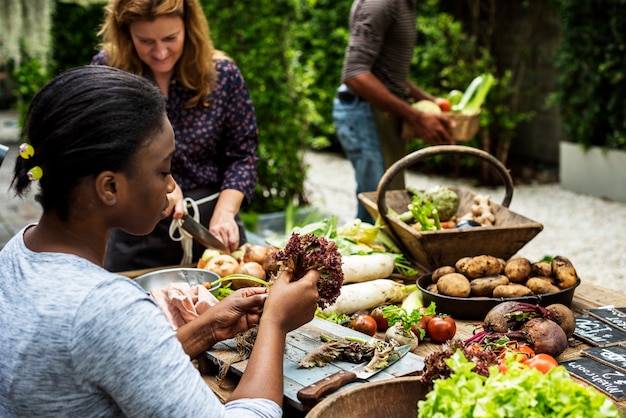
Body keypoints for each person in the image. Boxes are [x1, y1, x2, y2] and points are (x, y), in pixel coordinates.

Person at [0, 65, 320, 417]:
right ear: (109, 187)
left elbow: (120, 364)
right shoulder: (106, 307)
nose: (172, 187)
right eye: (164, 170)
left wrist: (208, 327)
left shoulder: (17, 251)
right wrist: (275, 325)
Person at [92, 0, 259, 271]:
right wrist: (157, 183)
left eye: (171, 38)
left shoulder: (223, 75)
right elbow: (101, 149)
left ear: (189, 27)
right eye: (145, 40)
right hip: (137, 227)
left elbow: (243, 155)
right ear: (125, 33)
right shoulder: (108, 70)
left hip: (213, 227)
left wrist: (226, 212)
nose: (160, 52)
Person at [333, 0, 455, 224]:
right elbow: (355, 75)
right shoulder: (380, 3)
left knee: (389, 202)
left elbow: (388, 74)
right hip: (364, 113)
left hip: (380, 113)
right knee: (378, 208)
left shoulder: (404, 4)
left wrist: (430, 101)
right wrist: (417, 117)